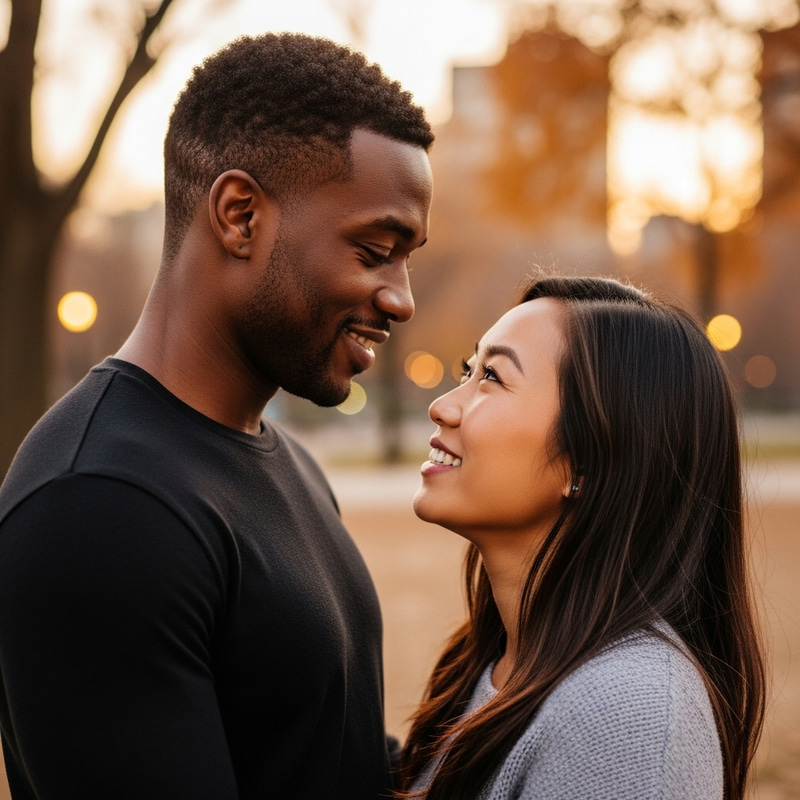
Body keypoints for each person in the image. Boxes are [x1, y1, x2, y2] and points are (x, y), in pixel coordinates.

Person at [0, 33, 433, 800]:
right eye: (374, 251)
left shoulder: (287, 463)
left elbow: (329, 759)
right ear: (239, 216)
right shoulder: (99, 505)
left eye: (407, 259)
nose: (401, 297)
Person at [397, 275, 765, 800]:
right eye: (467, 370)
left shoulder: (628, 710)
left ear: (589, 461)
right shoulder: (494, 662)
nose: (443, 405)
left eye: (493, 378)